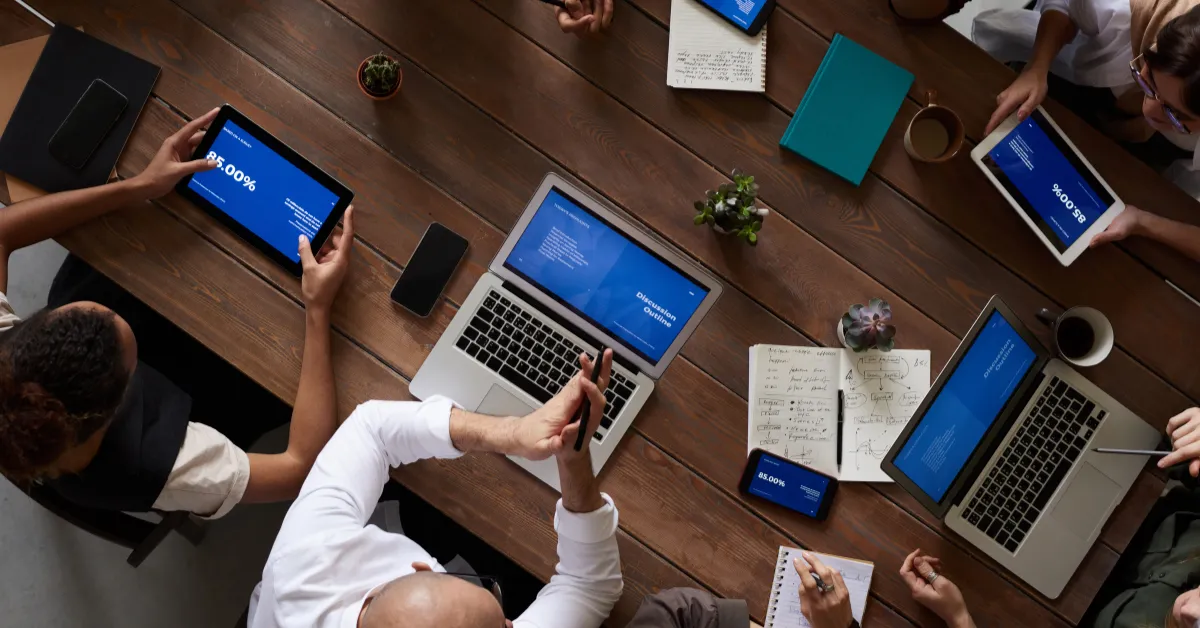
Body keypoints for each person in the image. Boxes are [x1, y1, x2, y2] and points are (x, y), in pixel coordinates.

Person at [0, 107, 352, 519]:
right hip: (203, 390)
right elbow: (299, 468)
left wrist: (139, 186)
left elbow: (3, 231)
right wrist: (318, 307)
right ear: (121, 399)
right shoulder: (163, 466)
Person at [246, 350, 623, 628]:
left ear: (419, 570)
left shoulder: (301, 566)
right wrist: (574, 464)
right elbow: (590, 584)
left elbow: (372, 430)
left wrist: (514, 435)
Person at [975, 1, 1200, 261]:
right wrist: (1037, 67)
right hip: (1058, 94)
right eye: (1148, 80)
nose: (1150, 109)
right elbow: (1066, 6)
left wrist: (1142, 221)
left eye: (1176, 114)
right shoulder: (1132, 9)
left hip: (1127, 173)